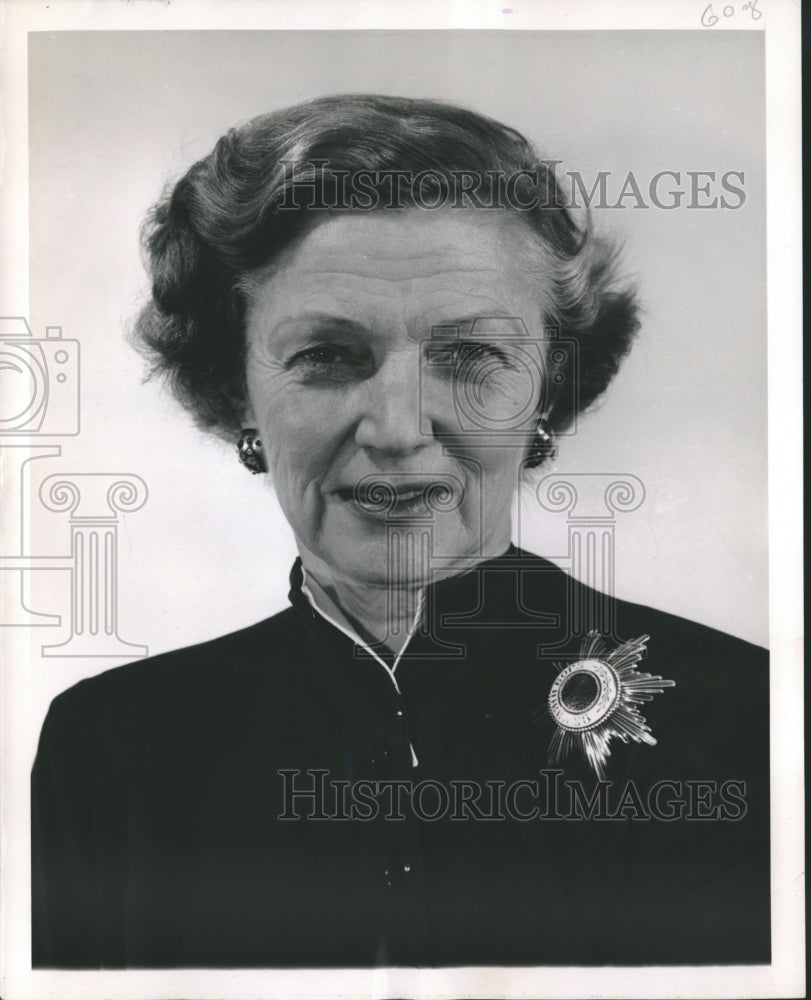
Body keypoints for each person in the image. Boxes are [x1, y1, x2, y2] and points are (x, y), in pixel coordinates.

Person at [31, 94, 769, 968]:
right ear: (239, 395)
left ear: (545, 392)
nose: (395, 429)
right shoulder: (114, 749)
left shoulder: (738, 715)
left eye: (467, 358)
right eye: (328, 357)